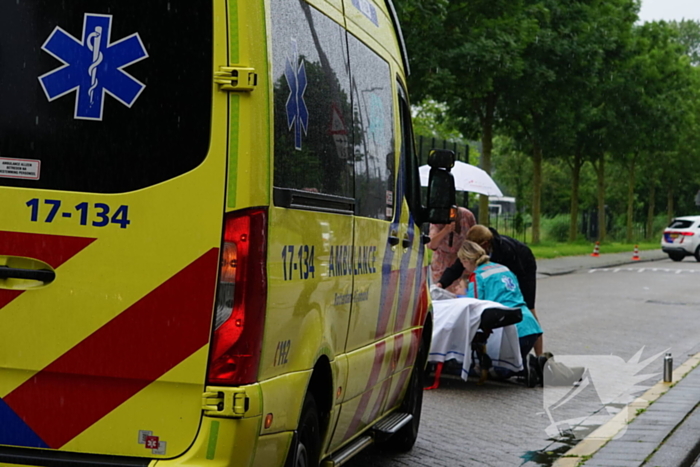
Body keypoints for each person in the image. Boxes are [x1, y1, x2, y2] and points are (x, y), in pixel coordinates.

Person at [436, 225, 543, 356]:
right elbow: (456, 268)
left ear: (485, 245)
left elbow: (514, 277)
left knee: (526, 306)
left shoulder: (505, 251)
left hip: (523, 264)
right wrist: (440, 285)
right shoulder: (473, 251)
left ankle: (540, 356)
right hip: (503, 269)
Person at [457, 240, 543, 385]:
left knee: (499, 371)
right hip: (530, 325)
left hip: (513, 329)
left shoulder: (477, 276)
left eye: (462, 262)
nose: (463, 266)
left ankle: (528, 368)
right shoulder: (503, 268)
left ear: (466, 260)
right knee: (514, 364)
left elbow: (474, 306)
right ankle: (535, 365)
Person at [427, 206, 476, 294]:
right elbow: (432, 245)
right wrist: (446, 230)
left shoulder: (467, 215)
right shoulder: (438, 218)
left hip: (462, 263)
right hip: (442, 265)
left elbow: (474, 238)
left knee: (463, 293)